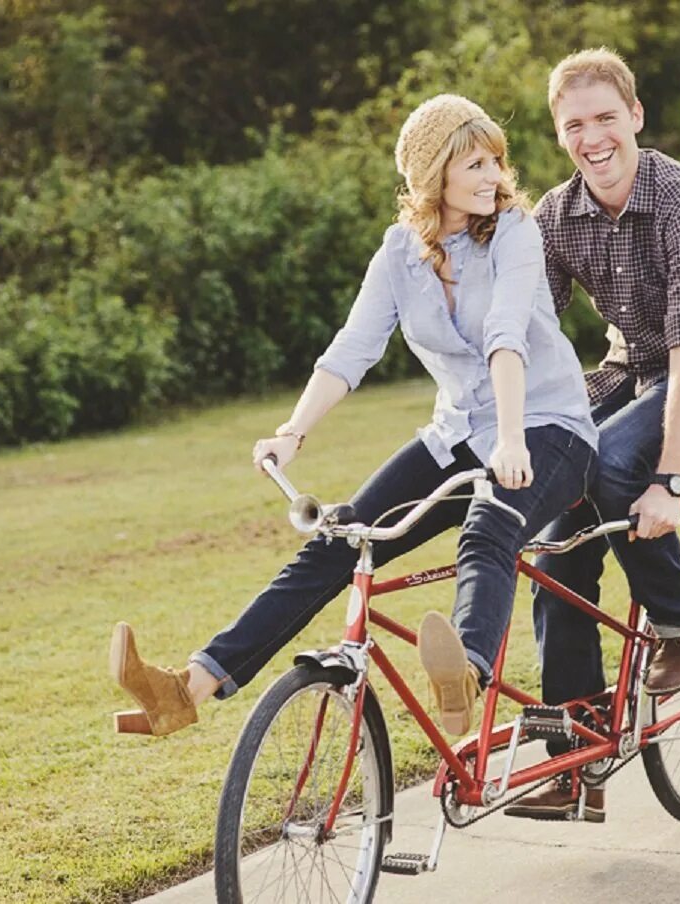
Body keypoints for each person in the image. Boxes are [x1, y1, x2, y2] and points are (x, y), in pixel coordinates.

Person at [110, 94, 598, 739]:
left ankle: (466, 675)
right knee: (338, 539)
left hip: (546, 429)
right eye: (476, 164)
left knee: (489, 529)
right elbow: (351, 351)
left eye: (496, 162)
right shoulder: (400, 252)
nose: (495, 178)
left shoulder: (515, 231)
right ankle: (186, 689)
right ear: (434, 177)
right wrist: (292, 432)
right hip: (458, 434)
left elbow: (507, 336)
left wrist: (512, 440)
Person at [503, 48, 680, 821]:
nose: (592, 138)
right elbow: (525, 335)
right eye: (573, 125)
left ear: (635, 117)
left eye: (605, 118)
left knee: (616, 464)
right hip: (627, 374)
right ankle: (574, 760)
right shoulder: (555, 216)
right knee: (554, 545)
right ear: (560, 135)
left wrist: (669, 480)